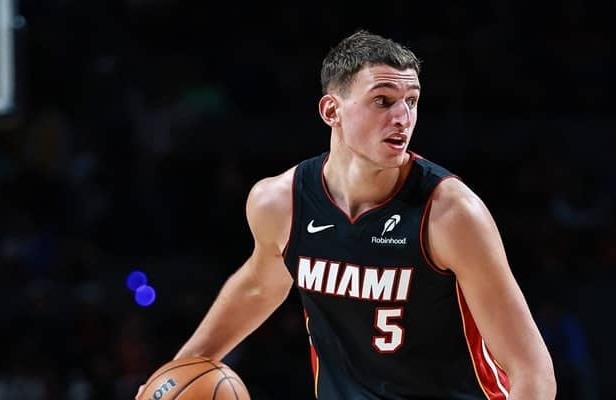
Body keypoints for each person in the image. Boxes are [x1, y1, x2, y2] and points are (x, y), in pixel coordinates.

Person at [138, 30, 556, 400]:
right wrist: (175, 374)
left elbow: (531, 371)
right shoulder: (280, 202)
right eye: (383, 101)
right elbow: (260, 284)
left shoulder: (450, 213)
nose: (403, 118)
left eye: (411, 102)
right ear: (331, 111)